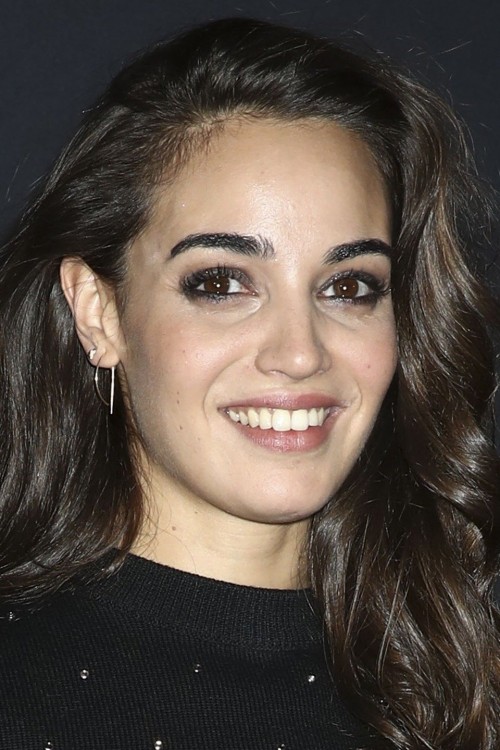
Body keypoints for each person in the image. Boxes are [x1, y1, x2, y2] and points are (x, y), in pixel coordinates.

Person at [0, 16, 498, 750]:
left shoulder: (464, 680)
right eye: (222, 283)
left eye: (349, 287)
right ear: (98, 311)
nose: (299, 354)